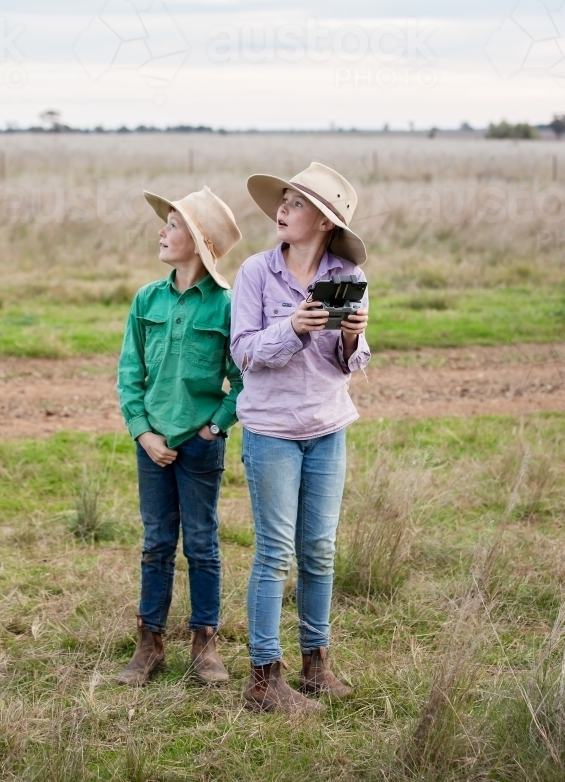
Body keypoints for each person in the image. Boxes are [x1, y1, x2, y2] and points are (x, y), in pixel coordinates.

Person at [230, 162, 370, 714]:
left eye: (295, 204)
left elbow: (350, 364)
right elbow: (242, 351)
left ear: (325, 223)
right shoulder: (256, 273)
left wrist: (350, 339)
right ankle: (264, 679)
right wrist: (291, 329)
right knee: (274, 553)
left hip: (327, 426)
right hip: (271, 429)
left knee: (319, 550)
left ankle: (316, 665)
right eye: (284, 201)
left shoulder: (350, 278)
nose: (282, 211)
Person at [117, 185, 242, 686]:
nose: (161, 233)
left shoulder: (227, 306)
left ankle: (204, 644)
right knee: (156, 541)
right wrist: (143, 432)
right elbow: (130, 376)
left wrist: (214, 427)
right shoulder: (147, 299)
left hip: (199, 443)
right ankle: (149, 644)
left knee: (203, 543)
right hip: (153, 442)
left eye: (172, 225)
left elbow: (244, 381)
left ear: (199, 241)